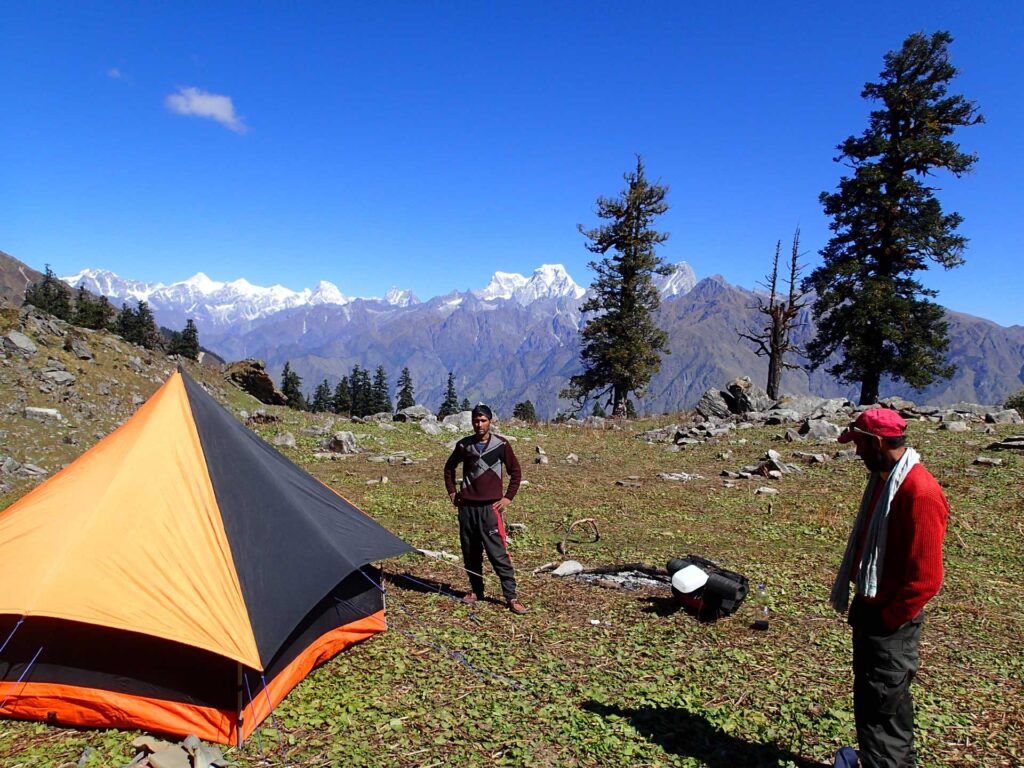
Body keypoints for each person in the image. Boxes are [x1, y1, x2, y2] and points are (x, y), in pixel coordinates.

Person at [831, 408, 949, 767]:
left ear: (878, 442)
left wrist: (888, 619)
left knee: (883, 707)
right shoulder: (885, 480)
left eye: (861, 445)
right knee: (874, 703)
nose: (857, 453)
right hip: (872, 608)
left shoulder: (919, 493)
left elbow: (926, 579)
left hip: (890, 621)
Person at [443, 404, 527, 614]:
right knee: (470, 552)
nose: (479, 425)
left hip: (490, 509)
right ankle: (476, 591)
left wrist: (508, 498)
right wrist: (453, 493)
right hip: (467, 508)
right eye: (476, 421)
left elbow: (515, 472)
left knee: (498, 553)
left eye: (483, 421)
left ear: (490, 421)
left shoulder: (501, 445)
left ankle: (511, 597)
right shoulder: (464, 445)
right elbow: (449, 469)